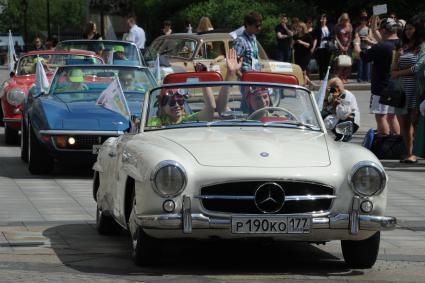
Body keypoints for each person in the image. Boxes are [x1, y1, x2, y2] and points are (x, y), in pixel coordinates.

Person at [148, 49, 241, 127]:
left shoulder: (188, 121)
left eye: (180, 100)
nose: (177, 105)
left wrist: (203, 78)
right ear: (162, 105)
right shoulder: (155, 123)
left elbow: (211, 107)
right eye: (172, 102)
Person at [353, 17, 401, 135]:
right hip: (396, 86)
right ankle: (398, 144)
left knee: (381, 117)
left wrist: (356, 44)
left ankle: (384, 143)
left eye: (380, 30)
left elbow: (362, 56)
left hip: (381, 87)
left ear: (384, 30)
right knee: (392, 117)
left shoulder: (381, 47)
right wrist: (374, 20)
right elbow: (378, 36)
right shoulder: (400, 43)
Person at [391, 13, 425, 160]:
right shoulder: (403, 46)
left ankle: (415, 153)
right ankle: (408, 152)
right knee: (403, 123)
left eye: (411, 29)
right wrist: (397, 57)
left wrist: (399, 73)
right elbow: (392, 71)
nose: (408, 32)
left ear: (417, 30)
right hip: (401, 90)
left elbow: (417, 68)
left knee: (415, 121)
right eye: (407, 29)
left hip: (416, 90)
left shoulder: (422, 46)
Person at [311, 14, 333, 80]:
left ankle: (327, 77)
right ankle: (321, 78)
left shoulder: (329, 27)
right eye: (322, 19)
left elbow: (332, 36)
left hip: (328, 47)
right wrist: (314, 47)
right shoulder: (317, 28)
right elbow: (315, 39)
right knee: (321, 63)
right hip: (320, 47)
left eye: (324, 19)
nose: (323, 20)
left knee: (327, 63)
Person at [354, 16, 374, 82]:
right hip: (360, 47)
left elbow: (370, 37)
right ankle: (360, 78)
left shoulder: (368, 29)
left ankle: (367, 78)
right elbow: (356, 35)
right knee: (360, 63)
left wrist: (365, 38)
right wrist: (359, 38)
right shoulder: (357, 28)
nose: (363, 21)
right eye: (362, 20)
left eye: (364, 20)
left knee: (367, 64)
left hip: (367, 47)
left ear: (366, 21)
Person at [334, 13, 353, 83]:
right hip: (340, 47)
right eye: (344, 20)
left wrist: (347, 45)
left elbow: (350, 37)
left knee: (348, 62)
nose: (345, 21)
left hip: (348, 47)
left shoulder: (350, 26)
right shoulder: (337, 26)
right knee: (340, 62)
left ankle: (345, 77)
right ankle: (340, 77)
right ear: (341, 19)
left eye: (346, 20)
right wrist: (341, 46)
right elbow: (336, 37)